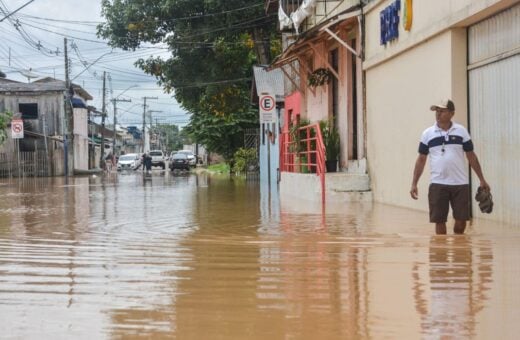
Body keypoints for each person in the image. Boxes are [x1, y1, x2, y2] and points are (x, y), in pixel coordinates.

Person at [410, 99, 490, 235]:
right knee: (439, 221)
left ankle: (458, 249)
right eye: (437, 111)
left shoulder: (461, 131)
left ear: (452, 113)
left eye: (442, 111)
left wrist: (482, 179)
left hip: (460, 183)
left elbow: (471, 156)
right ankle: (442, 253)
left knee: (461, 222)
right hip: (437, 184)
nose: (438, 113)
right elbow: (421, 159)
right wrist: (414, 183)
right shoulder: (427, 134)